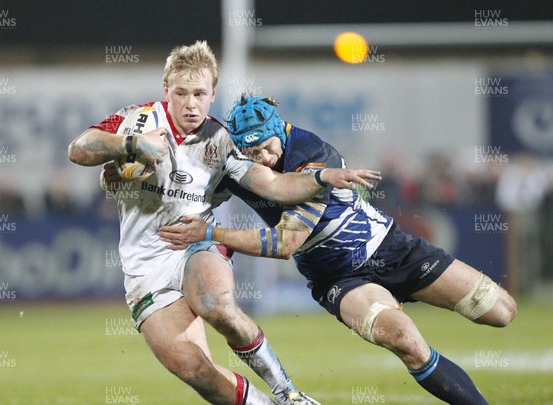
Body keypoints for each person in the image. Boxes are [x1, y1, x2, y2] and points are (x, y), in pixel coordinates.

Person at [157, 95, 519, 404]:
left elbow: (286, 243)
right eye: (252, 152)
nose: (263, 158)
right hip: (339, 278)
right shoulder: (241, 165)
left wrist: (212, 232)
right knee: (405, 340)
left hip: (392, 248)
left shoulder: (314, 155)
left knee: (502, 312)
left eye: (267, 146)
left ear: (280, 130)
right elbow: (184, 177)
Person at [69, 41, 375, 405]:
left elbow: (273, 184)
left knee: (215, 303)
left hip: (194, 243)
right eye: (181, 93)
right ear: (166, 90)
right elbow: (79, 148)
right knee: (196, 372)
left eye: (200, 93)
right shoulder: (139, 119)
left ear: (213, 94)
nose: (190, 103)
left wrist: (322, 177)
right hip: (143, 267)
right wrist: (130, 145)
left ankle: (288, 393)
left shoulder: (221, 140)